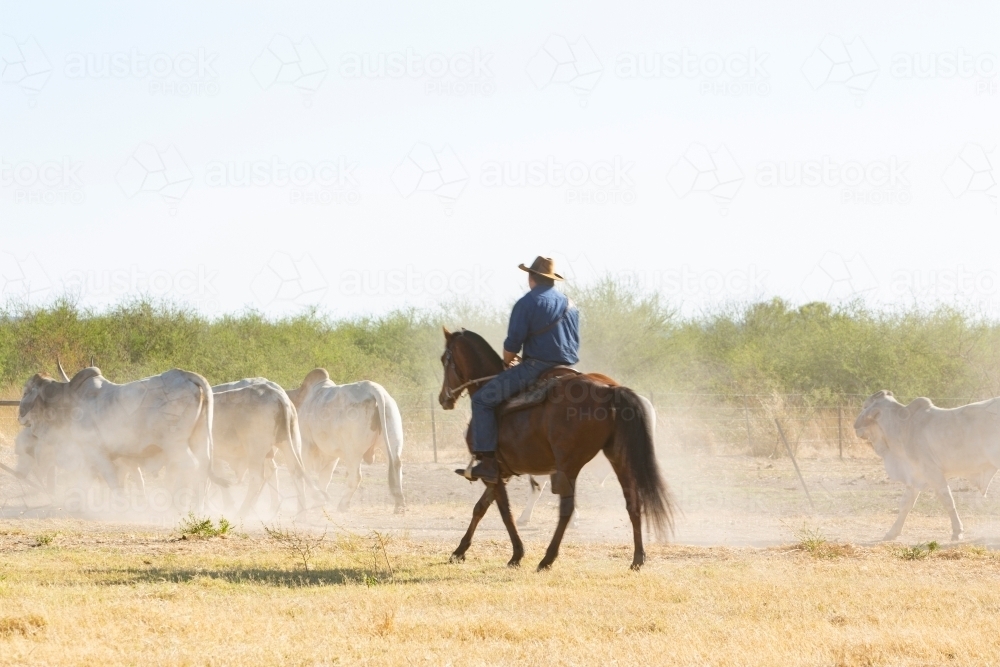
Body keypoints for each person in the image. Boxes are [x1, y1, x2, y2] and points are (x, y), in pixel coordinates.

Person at [461, 256, 580, 483]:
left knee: (482, 400)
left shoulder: (527, 303)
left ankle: (487, 463)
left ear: (531, 277)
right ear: (552, 280)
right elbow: (573, 343)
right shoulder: (571, 305)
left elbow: (512, 344)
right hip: (568, 369)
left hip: (536, 368)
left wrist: (508, 362)